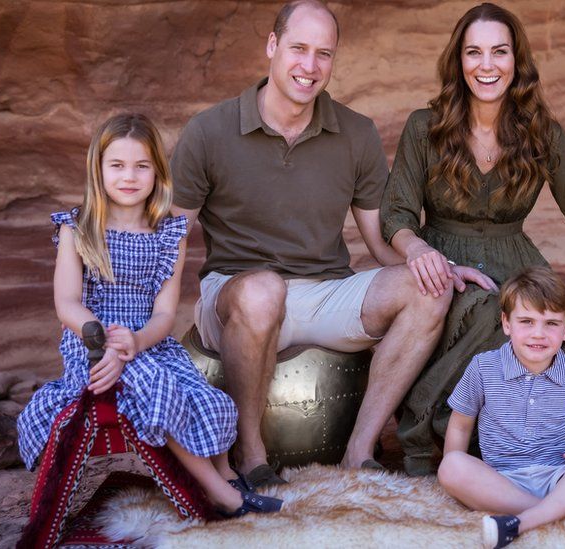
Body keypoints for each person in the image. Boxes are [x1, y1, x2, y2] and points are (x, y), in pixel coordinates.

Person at [170, 0, 461, 486]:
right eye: (298, 48)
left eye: (323, 54)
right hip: (235, 295)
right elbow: (171, 240)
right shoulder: (208, 131)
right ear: (272, 46)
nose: (309, 66)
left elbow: (379, 239)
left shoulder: (356, 132)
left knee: (428, 290)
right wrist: (147, 323)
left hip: (324, 292)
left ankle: (359, 450)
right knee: (263, 291)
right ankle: (252, 456)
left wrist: (430, 263)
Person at [381, 2, 565, 475]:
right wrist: (418, 250)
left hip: (516, 258)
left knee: (545, 318)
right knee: (491, 309)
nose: (486, 65)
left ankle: (558, 447)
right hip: (443, 264)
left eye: (499, 52)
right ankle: (423, 433)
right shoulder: (425, 127)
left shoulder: (543, 135)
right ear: (458, 61)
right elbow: (396, 213)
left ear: (516, 61)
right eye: (473, 52)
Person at [17, 114, 281, 517]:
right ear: (98, 169)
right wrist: (101, 337)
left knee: (206, 395)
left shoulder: (168, 234)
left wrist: (138, 341)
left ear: (157, 172)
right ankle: (221, 495)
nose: (129, 176)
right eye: (117, 165)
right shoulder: (78, 229)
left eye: (142, 166)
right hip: (91, 346)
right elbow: (67, 303)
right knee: (150, 382)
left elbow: (163, 313)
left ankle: (226, 474)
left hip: (149, 343)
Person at [438, 267, 565, 549]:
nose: (539, 334)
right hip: (501, 482)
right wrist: (458, 474)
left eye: (551, 323)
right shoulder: (484, 367)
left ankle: (523, 523)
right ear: (506, 324)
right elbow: (461, 423)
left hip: (561, 476)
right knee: (451, 466)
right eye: (526, 321)